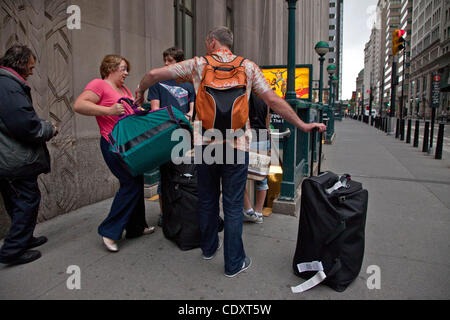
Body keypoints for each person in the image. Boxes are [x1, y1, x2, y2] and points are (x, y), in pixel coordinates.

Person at [134, 26, 326, 277]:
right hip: (236, 145)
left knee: (207, 199)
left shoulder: (199, 64)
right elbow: (273, 101)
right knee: (233, 206)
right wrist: (302, 124)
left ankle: (209, 248)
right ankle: (234, 263)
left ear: (212, 42)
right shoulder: (248, 67)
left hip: (205, 146)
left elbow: (152, 74)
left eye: (206, 42)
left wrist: (140, 92)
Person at [73, 54, 155, 253]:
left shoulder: (124, 89)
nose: (126, 73)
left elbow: (128, 113)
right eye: (123, 68)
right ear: (110, 68)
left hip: (129, 144)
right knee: (129, 183)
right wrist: (109, 110)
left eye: (127, 69)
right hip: (112, 144)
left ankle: (136, 227)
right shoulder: (99, 84)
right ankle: (109, 231)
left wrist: (141, 109)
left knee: (135, 180)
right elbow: (79, 105)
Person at [0, 45, 58, 265]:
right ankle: (13, 250)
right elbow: (24, 125)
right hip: (14, 160)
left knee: (16, 200)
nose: (33, 71)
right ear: (22, 63)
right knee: (27, 200)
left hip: (8, 158)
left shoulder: (6, 84)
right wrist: (49, 129)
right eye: (31, 67)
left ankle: (23, 239)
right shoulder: (8, 86)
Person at [147, 47, 196, 226]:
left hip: (184, 134)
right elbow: (154, 110)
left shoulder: (188, 83)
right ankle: (164, 213)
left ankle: (181, 210)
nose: (166, 64)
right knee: (165, 175)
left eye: (170, 61)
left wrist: (188, 115)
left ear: (179, 63)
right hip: (165, 134)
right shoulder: (157, 83)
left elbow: (192, 108)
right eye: (165, 60)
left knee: (184, 173)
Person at [243, 93, 270, 224]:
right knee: (262, 177)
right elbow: (267, 119)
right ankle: (258, 213)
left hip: (247, 137)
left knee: (238, 176)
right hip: (263, 137)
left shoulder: (243, 94)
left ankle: (248, 211)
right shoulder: (264, 97)